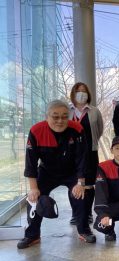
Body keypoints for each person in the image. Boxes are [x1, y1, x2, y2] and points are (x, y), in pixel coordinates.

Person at [17, 100, 95, 249]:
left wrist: (80, 183)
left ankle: (83, 230)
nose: (60, 121)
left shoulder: (77, 129)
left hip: (72, 171)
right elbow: (31, 163)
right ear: (47, 116)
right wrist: (33, 189)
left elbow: (82, 159)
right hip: (47, 171)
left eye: (64, 116)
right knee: (33, 199)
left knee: (81, 194)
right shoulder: (36, 131)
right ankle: (32, 235)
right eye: (55, 116)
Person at [69, 82, 104, 225]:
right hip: (71, 154)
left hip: (90, 152)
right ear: (73, 93)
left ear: (88, 94)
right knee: (73, 183)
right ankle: (76, 213)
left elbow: (100, 129)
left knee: (89, 184)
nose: (81, 94)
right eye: (78, 91)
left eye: (84, 91)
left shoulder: (94, 111)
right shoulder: (67, 110)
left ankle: (87, 213)